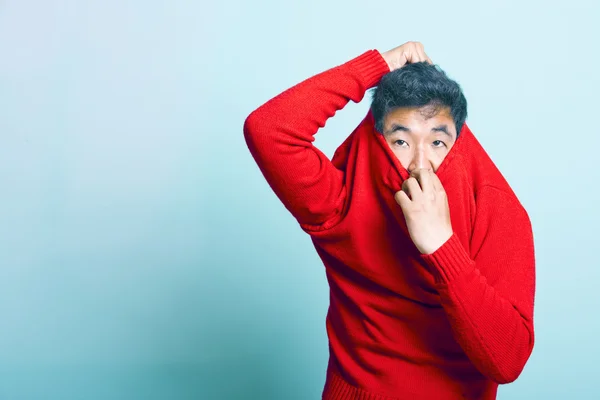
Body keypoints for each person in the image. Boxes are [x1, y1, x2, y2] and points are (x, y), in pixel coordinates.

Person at [243, 41, 536, 400]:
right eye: (401, 140)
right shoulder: (342, 197)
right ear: (379, 140)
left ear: (458, 143)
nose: (419, 162)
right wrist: (376, 65)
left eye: (438, 142)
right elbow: (268, 129)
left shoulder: (495, 207)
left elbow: (507, 361)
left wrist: (443, 248)